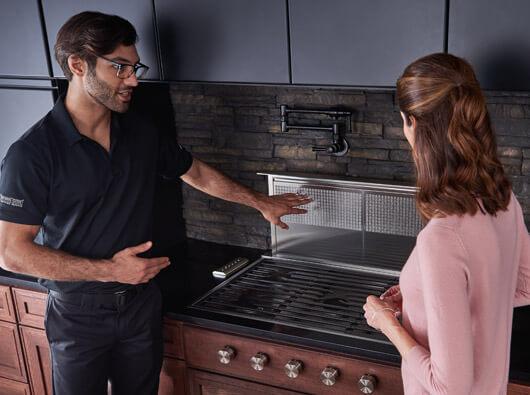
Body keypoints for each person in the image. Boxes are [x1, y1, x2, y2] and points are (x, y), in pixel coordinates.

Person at [0, 11, 310, 395]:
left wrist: (259, 201)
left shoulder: (141, 131)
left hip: (141, 305)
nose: (132, 79)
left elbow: (193, 171)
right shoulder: (31, 155)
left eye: (135, 67)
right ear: (78, 65)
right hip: (77, 314)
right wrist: (112, 271)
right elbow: (12, 254)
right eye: (120, 67)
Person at [363, 53, 530, 394]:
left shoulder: (441, 238)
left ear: (413, 123)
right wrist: (418, 302)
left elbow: (449, 387)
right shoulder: (502, 199)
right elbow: (524, 285)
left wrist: (388, 324)